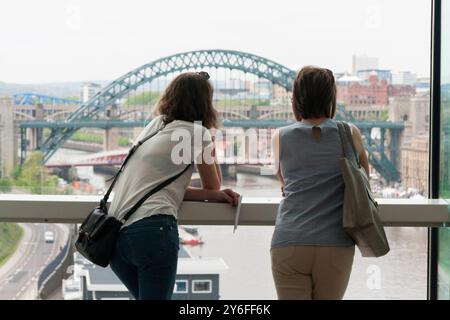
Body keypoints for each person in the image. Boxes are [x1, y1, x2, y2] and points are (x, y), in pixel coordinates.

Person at [108, 71, 240, 300]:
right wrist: (209, 139)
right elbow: (214, 184)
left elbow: (157, 188)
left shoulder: (155, 125)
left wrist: (214, 195)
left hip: (116, 238)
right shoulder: (198, 133)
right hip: (153, 233)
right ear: (205, 103)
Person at [270, 66, 370, 300]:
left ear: (295, 100)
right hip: (336, 244)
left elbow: (283, 181)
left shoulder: (280, 136)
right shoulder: (350, 133)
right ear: (331, 98)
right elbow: (364, 180)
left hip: (289, 241)